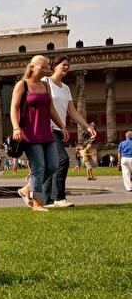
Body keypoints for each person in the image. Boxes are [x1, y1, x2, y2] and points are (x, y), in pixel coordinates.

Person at [11, 55, 69, 212]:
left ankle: (26, 189)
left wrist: (61, 126)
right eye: (42, 67)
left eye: (47, 67)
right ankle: (37, 204)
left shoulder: (45, 85)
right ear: (32, 67)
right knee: (39, 167)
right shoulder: (22, 85)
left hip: (46, 131)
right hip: (29, 133)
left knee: (52, 165)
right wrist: (16, 128)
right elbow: (14, 108)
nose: (46, 70)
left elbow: (51, 109)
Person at [41, 56, 96, 208]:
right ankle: (59, 197)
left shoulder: (65, 88)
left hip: (59, 129)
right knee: (63, 159)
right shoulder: (45, 82)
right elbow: (40, 105)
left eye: (68, 65)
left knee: (52, 164)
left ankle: (46, 200)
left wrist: (87, 126)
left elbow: (72, 112)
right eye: (63, 64)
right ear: (55, 66)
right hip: (47, 128)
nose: (66, 67)